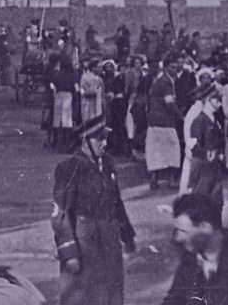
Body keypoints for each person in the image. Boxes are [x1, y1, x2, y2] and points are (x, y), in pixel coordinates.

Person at [51, 114, 136, 305]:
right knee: (83, 296)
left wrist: (127, 234)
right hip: (85, 243)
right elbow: (60, 214)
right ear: (85, 141)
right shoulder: (69, 167)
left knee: (111, 294)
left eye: (106, 138)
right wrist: (69, 253)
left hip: (109, 239)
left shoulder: (107, 163)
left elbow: (116, 202)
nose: (104, 143)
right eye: (100, 139)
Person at [146, 55, 184, 189]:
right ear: (166, 67)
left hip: (154, 120)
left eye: (176, 66)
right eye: (172, 67)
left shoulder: (159, 80)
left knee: (157, 149)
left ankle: (155, 177)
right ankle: (172, 179)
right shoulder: (166, 81)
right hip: (165, 120)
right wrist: (181, 117)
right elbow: (169, 103)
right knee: (173, 148)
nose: (175, 69)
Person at [188, 84, 226, 197]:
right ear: (208, 100)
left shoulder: (215, 120)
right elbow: (194, 147)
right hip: (203, 167)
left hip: (215, 166)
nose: (220, 103)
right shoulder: (199, 121)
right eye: (217, 99)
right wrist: (208, 154)